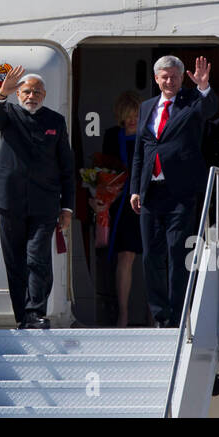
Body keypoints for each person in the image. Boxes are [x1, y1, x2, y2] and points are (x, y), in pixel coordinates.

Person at [129, 55, 219, 328]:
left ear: (182, 78)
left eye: (175, 77)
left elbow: (210, 109)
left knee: (176, 251)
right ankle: (160, 314)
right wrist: (135, 188)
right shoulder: (146, 107)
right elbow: (140, 151)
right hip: (151, 192)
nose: (169, 81)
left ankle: (179, 314)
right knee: (150, 256)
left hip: (180, 191)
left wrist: (203, 87)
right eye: (164, 76)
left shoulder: (192, 101)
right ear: (156, 79)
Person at [0, 65, 76, 329]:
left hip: (45, 201)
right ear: (18, 94)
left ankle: (36, 311)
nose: (31, 96)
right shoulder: (8, 114)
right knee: (15, 260)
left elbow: (66, 166)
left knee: (38, 257)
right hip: (9, 199)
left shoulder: (55, 121)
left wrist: (67, 207)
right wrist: (2, 92)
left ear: (44, 95)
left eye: (36, 91)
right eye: (26, 91)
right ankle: (23, 316)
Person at [91, 91, 142, 327]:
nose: (131, 120)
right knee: (126, 256)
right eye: (127, 116)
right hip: (120, 205)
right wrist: (102, 195)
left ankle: (156, 316)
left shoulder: (148, 135)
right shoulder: (113, 135)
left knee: (154, 259)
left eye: (135, 115)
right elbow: (104, 169)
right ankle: (123, 314)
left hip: (145, 203)